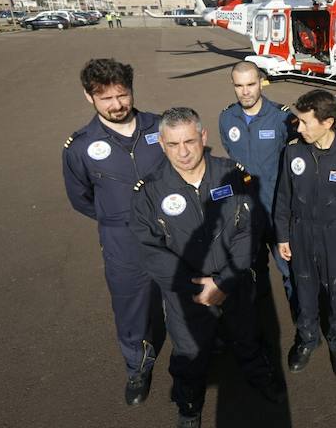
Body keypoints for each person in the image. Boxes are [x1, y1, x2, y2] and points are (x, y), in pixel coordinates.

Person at [132, 107, 284, 428]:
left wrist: (225, 282)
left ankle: (260, 377)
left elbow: (249, 231)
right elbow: (150, 250)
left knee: (246, 338)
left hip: (234, 286)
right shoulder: (149, 192)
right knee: (189, 355)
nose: (183, 152)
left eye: (189, 140)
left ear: (203, 137)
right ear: (161, 144)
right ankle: (189, 405)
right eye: (173, 144)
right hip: (187, 298)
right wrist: (195, 288)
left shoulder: (232, 175)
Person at [62, 58, 166, 406]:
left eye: (122, 95)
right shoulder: (79, 147)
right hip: (122, 241)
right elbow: (82, 199)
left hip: (173, 234)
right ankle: (138, 366)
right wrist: (118, 218)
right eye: (106, 98)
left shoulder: (161, 126)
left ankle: (201, 349)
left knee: (189, 295)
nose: (117, 105)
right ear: (89, 97)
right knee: (130, 307)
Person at [274, 90, 336, 378]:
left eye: (304, 122)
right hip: (301, 232)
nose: (298, 128)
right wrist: (282, 235)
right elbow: (283, 198)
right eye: (298, 122)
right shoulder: (293, 150)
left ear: (327, 122)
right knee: (304, 291)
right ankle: (307, 339)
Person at [217, 61, 295, 310]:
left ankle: (302, 319)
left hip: (276, 209)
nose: (246, 91)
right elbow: (231, 154)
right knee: (252, 271)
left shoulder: (283, 117)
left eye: (251, 84)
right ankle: (260, 322)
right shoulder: (227, 118)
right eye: (239, 86)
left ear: (261, 81)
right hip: (245, 213)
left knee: (289, 269)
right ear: (232, 85)